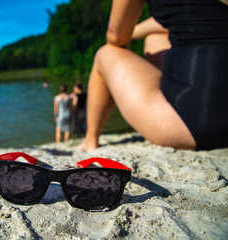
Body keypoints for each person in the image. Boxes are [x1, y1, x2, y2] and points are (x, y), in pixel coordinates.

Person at [78, 0, 228, 151]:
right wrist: (136, 31)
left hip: (199, 121)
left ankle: (90, 140)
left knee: (106, 53)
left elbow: (116, 37)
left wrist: (129, 33)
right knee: (154, 38)